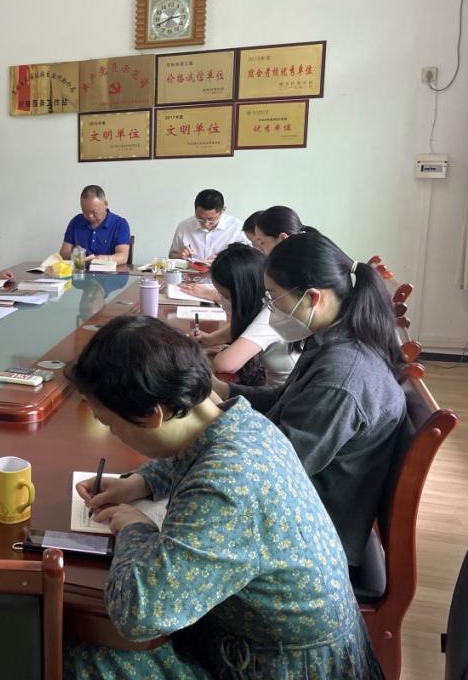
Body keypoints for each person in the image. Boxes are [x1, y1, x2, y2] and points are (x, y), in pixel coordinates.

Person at [64, 315, 382, 679]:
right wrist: (140, 482)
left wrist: (135, 529)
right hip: (273, 642)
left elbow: (139, 616)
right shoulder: (244, 424)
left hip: (280, 668)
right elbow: (194, 449)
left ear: (153, 415)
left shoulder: (225, 486)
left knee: (84, 651)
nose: (112, 433)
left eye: (109, 423)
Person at [211, 231, 406, 569]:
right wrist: (222, 392)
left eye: (273, 297)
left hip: (313, 537)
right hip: (302, 502)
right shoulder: (333, 340)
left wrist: (205, 426)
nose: (270, 307)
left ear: (313, 297)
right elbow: (284, 400)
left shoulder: (342, 378)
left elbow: (276, 470)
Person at [199, 243, 299, 387]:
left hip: (279, 395)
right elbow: (244, 327)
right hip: (271, 387)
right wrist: (209, 339)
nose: (222, 301)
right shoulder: (264, 302)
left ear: (244, 292)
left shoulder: (271, 314)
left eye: (226, 296)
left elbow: (225, 364)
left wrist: (220, 351)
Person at [168, 189, 249, 262]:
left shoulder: (236, 227)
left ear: (223, 210)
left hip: (224, 273)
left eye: (211, 219)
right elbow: (172, 256)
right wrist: (181, 256)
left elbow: (248, 259)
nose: (206, 224)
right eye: (200, 218)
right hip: (191, 273)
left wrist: (224, 259)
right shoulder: (184, 226)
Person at [58, 185, 131, 265]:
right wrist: (76, 254)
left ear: (105, 204)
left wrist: (103, 259)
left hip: (109, 271)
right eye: (85, 211)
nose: (90, 216)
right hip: (82, 270)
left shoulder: (120, 224)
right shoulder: (76, 222)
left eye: (94, 212)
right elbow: (64, 253)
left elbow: (123, 257)